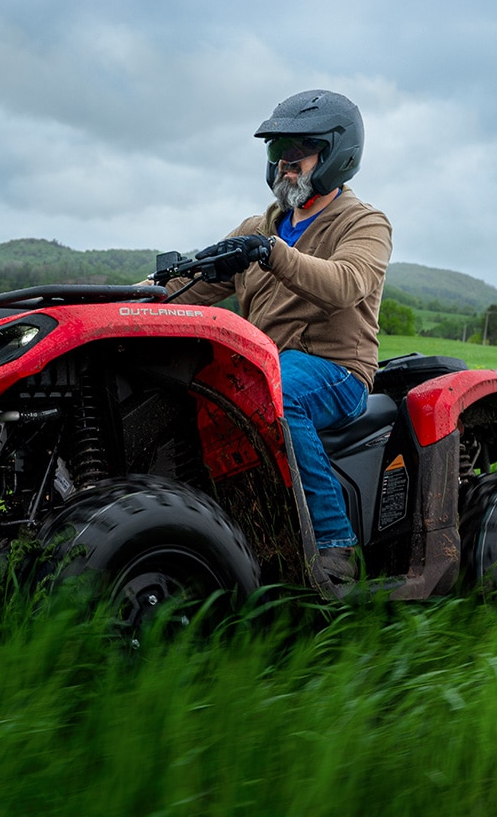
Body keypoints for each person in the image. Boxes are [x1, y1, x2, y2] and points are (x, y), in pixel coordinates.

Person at [162, 90, 392, 584]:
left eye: (299, 151)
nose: (286, 163)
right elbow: (190, 285)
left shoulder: (365, 224)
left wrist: (271, 253)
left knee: (278, 393)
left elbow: (344, 285)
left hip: (335, 371)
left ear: (336, 155)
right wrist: (124, 299)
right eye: (277, 152)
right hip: (263, 365)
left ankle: (335, 546)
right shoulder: (258, 226)